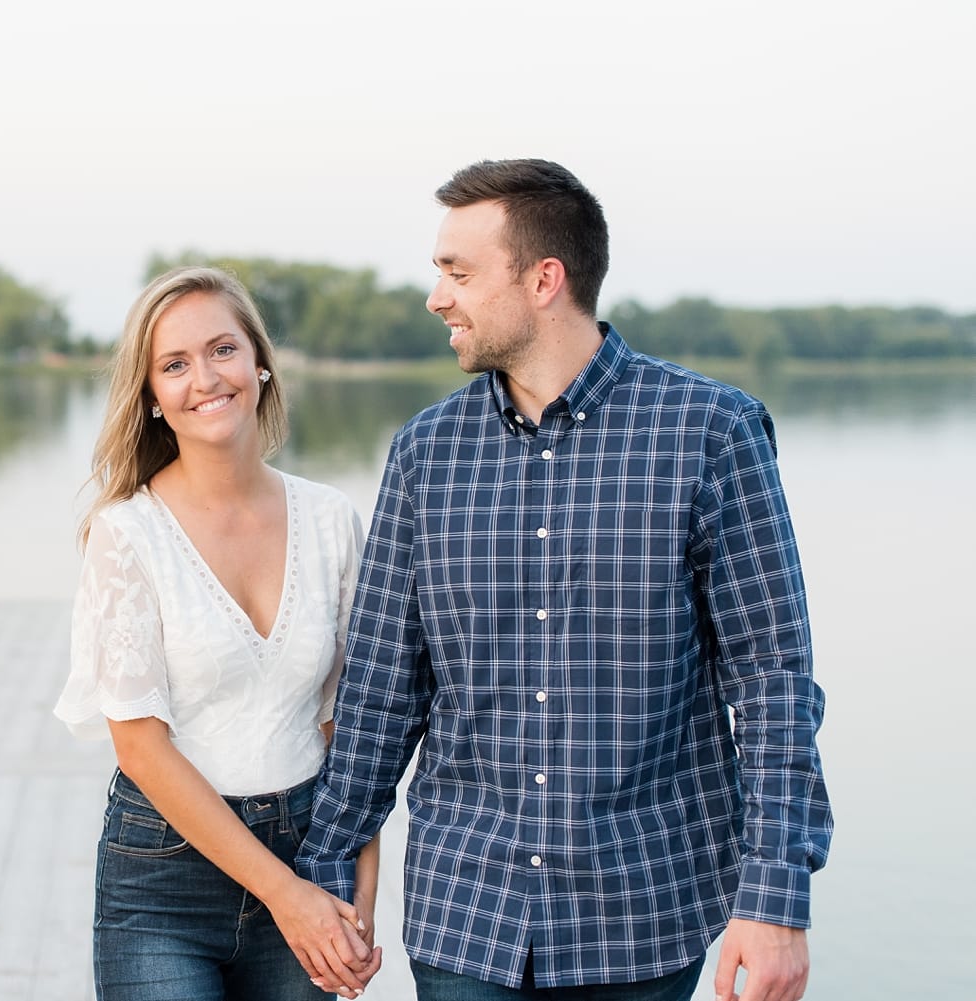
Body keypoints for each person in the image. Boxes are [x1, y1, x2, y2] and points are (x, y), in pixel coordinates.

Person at [293, 160, 833, 1001]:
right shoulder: (425, 453)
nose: (437, 297)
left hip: (644, 910)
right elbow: (382, 687)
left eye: (458, 273)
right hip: (466, 910)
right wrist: (326, 865)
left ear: (545, 279)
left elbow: (772, 681)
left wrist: (775, 900)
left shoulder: (710, 431)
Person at [54, 266, 383, 1001]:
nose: (204, 377)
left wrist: (359, 887)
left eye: (222, 349)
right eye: (174, 364)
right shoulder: (126, 534)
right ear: (152, 398)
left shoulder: (332, 520)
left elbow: (353, 727)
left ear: (260, 363)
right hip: (164, 881)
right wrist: (285, 894)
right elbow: (139, 745)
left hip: (310, 848)